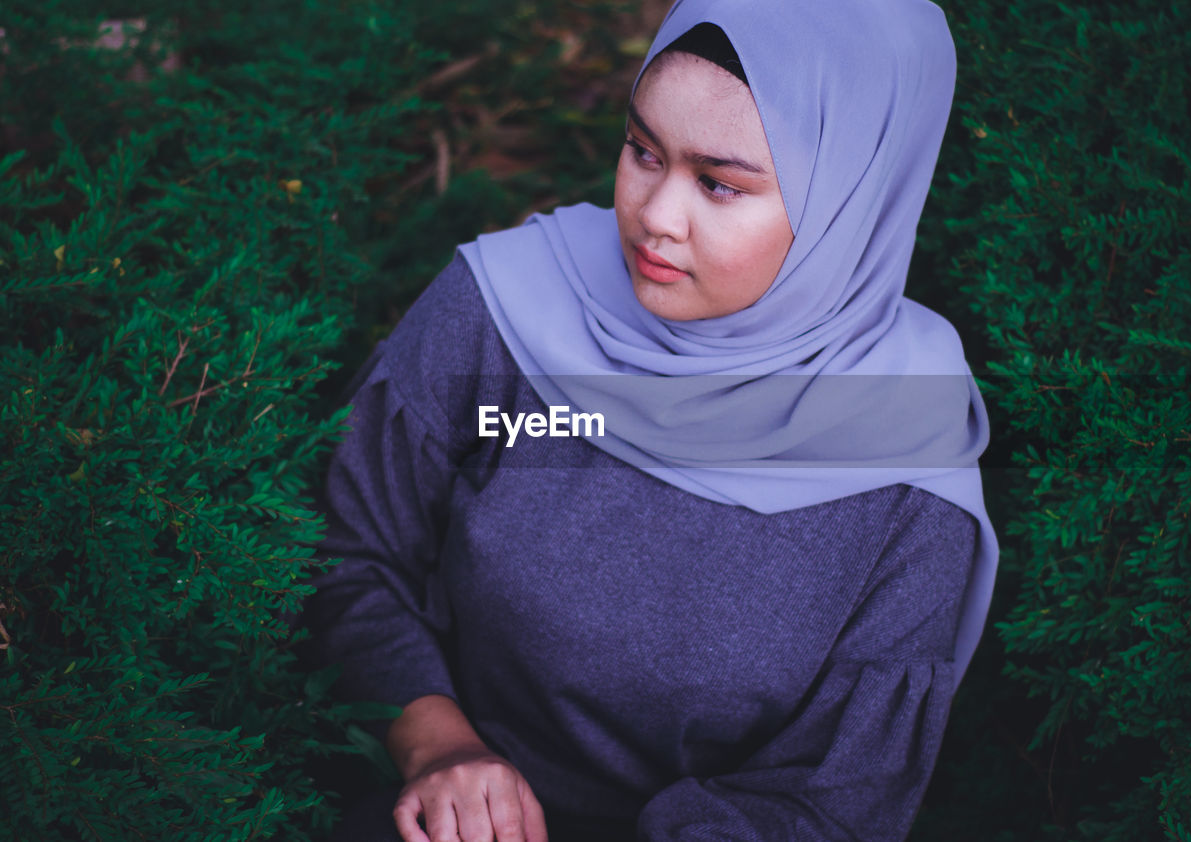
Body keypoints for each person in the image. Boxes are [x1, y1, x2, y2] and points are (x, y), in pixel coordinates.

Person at [301, 0, 998, 840]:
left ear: (851, 206)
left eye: (719, 183)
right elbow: (345, 546)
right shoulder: (509, 314)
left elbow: (833, 797)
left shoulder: (905, 455)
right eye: (642, 151)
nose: (656, 217)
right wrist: (437, 746)